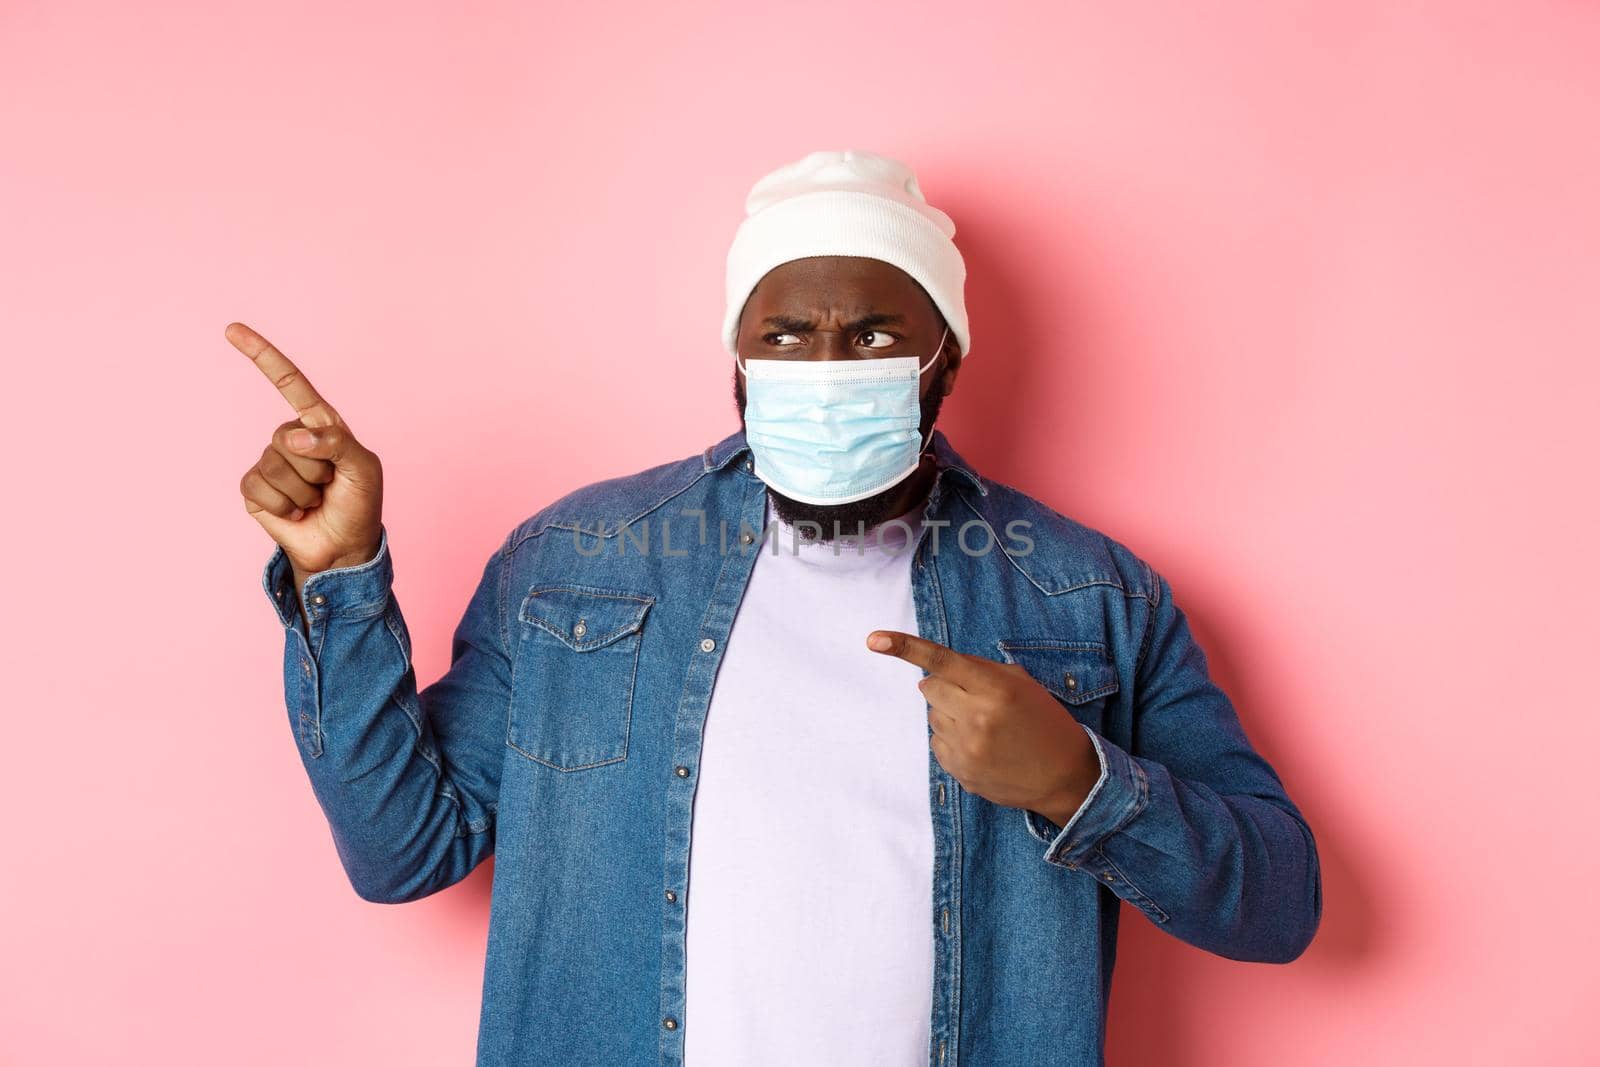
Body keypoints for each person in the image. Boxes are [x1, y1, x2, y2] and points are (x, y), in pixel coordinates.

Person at [236, 148, 1321, 1067]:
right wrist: (342, 576)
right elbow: (403, 851)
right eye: (789, 334)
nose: (828, 364)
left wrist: (1077, 779)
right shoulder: (578, 558)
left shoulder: (1088, 592)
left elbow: (1277, 903)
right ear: (738, 359)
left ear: (948, 358)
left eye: (875, 335)